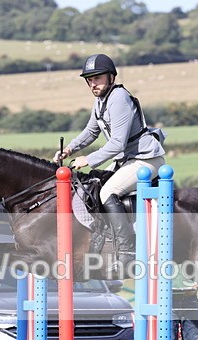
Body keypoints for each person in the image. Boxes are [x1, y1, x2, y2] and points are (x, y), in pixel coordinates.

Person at [54, 53, 166, 267]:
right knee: (95, 185)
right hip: (129, 160)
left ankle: (127, 250)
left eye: (98, 78)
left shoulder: (119, 98)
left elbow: (117, 144)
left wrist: (88, 159)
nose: (93, 83)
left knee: (107, 193)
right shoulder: (100, 101)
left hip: (146, 159)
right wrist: (69, 149)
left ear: (111, 77)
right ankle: (105, 239)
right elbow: (91, 131)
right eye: (90, 79)